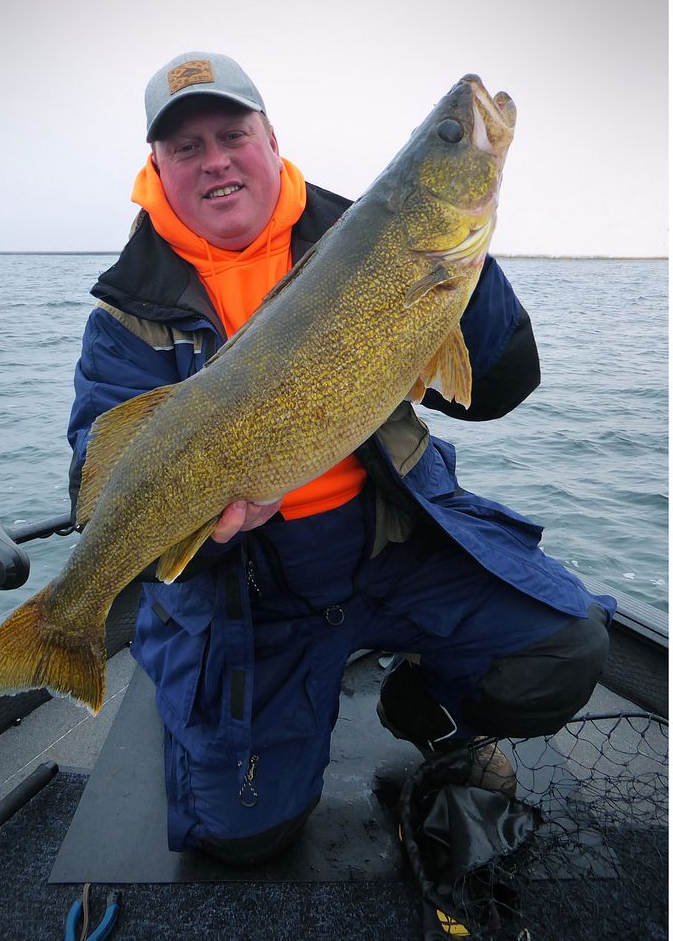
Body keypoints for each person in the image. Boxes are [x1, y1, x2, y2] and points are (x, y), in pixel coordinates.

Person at [67, 52, 615, 864]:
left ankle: (423, 707)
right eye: (186, 147)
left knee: (566, 647)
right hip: (252, 591)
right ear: (156, 166)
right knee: (240, 837)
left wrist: (459, 265)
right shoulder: (124, 315)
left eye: (232, 134)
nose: (215, 160)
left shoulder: (365, 232)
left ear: (270, 139)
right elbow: (100, 477)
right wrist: (206, 534)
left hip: (394, 542)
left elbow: (499, 389)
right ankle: (131, 663)